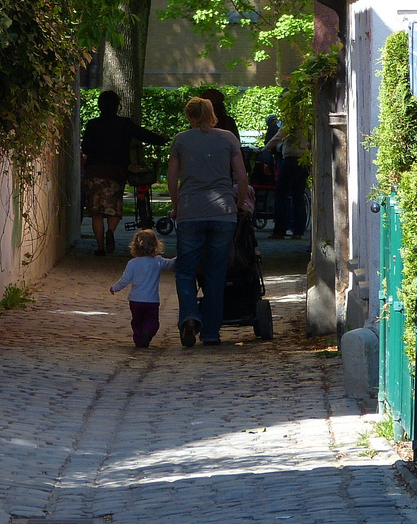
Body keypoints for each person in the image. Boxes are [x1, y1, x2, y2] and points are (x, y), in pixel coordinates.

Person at [168, 96, 248, 347]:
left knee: (185, 271)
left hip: (191, 212)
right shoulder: (227, 139)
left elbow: (172, 178)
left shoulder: (181, 140)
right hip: (223, 213)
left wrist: (176, 207)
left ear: (189, 116)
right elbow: (242, 177)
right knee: (216, 273)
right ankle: (212, 333)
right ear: (212, 114)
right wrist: (239, 204)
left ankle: (190, 317)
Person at [81, 90, 165, 257]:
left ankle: (100, 248)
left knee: (96, 212)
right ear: (117, 106)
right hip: (116, 172)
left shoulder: (92, 124)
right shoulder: (124, 123)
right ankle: (111, 231)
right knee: (114, 207)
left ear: (99, 105)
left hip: (94, 171)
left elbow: (86, 148)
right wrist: (161, 140)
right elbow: (143, 134)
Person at [109, 229, 176, 347]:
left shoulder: (132, 263)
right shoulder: (158, 262)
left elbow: (125, 280)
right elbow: (171, 264)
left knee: (137, 321)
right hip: (152, 300)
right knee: (152, 321)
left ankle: (139, 339)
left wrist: (114, 288)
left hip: (135, 299)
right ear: (156, 245)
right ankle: (148, 332)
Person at [266, 124, 309, 239]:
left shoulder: (292, 121)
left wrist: (264, 149)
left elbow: (278, 137)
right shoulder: (307, 122)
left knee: (281, 195)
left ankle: (279, 230)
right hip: (304, 161)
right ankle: (298, 231)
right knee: (298, 197)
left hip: (291, 159)